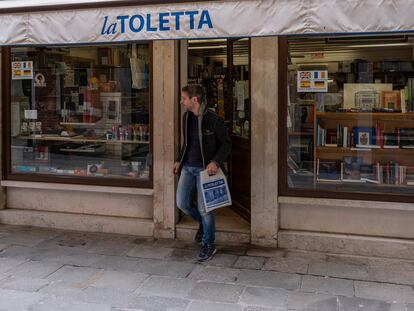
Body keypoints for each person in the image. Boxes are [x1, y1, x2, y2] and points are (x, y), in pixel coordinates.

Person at [173, 84, 231, 262]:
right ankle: (204, 227)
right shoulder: (186, 118)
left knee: (205, 209)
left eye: (184, 99)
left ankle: (209, 243)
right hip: (188, 167)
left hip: (206, 170)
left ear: (194, 100)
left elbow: (226, 144)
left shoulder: (214, 120)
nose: (181, 102)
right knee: (182, 203)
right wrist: (178, 160)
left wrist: (215, 162)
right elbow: (187, 144)